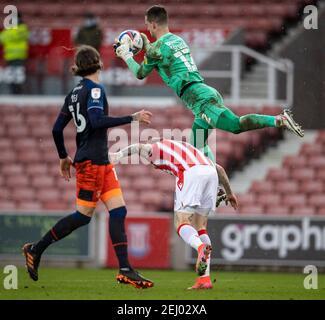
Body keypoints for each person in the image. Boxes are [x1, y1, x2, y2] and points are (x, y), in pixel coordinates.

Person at [22, 45, 154, 289]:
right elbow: (96, 121)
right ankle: (36, 248)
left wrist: (63, 156)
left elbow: (56, 129)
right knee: (83, 216)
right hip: (91, 163)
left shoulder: (73, 93)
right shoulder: (95, 90)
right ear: (99, 64)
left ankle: (125, 269)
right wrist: (132, 118)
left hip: (100, 161)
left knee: (118, 211)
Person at [114, 5, 304, 162]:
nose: (147, 29)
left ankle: (279, 120)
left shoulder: (155, 50)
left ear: (153, 24)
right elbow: (164, 60)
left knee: (235, 126)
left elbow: (140, 73)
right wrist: (147, 46)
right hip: (201, 95)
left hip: (199, 98)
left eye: (147, 25)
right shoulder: (177, 40)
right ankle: (217, 184)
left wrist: (127, 55)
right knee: (196, 149)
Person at [110, 138, 238, 289]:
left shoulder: (155, 148)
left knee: (181, 222)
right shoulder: (187, 148)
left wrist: (117, 156)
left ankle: (200, 248)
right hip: (210, 173)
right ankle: (204, 280)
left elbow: (138, 147)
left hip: (191, 172)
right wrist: (230, 193)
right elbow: (220, 170)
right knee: (200, 226)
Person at [0, 12, 29, 94]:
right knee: (11, 76)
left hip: (19, 56)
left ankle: (19, 93)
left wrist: (8, 35)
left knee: (18, 76)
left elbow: (9, 37)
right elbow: (2, 38)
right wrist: (8, 35)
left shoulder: (23, 28)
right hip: (9, 56)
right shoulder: (10, 29)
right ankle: (13, 93)